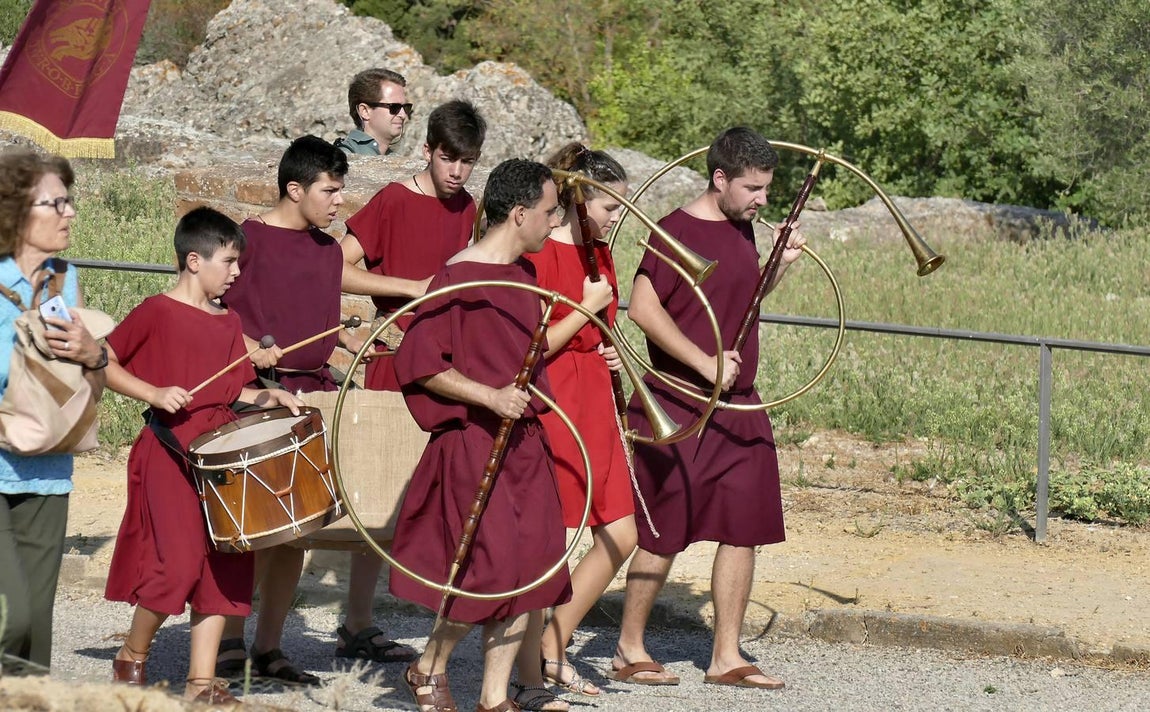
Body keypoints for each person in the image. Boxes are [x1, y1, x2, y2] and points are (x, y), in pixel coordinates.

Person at [611, 127, 805, 690]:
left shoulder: (742, 228)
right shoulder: (675, 231)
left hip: (740, 406)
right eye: (752, 188)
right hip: (676, 400)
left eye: (767, 189)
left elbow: (742, 303)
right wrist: (703, 361)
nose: (762, 199)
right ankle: (628, 647)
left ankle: (726, 656)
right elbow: (642, 309)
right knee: (663, 528)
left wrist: (781, 263)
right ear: (719, 178)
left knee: (744, 525)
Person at [217, 135, 409, 683]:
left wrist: (356, 344)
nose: (338, 201)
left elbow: (318, 323)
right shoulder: (245, 241)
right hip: (255, 397)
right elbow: (216, 313)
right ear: (295, 188)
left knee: (294, 533)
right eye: (330, 189)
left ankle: (270, 647)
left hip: (313, 398)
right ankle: (228, 641)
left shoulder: (327, 251)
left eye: (341, 189)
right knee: (248, 530)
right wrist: (250, 346)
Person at [103, 206, 303, 704]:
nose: (237, 272)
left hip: (221, 459)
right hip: (167, 454)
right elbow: (102, 360)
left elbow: (235, 391)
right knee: (178, 563)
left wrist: (269, 396)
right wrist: (151, 392)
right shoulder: (156, 310)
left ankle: (200, 683)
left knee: (226, 565)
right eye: (230, 261)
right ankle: (132, 653)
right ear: (194, 260)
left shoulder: (231, 321)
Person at [392, 158, 571, 712]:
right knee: (487, 574)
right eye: (547, 212)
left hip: (524, 447)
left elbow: (528, 361)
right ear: (519, 213)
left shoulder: (525, 276)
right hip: (473, 444)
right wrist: (489, 396)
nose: (553, 221)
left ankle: (494, 698)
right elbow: (419, 363)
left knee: (532, 571)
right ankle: (426, 665)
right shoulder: (456, 276)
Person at [323, 100, 485, 667]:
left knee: (450, 492)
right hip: (394, 363)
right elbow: (336, 268)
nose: (457, 172)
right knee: (381, 491)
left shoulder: (472, 209)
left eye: (467, 161)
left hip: (451, 372)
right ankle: (359, 622)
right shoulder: (394, 200)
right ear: (428, 150)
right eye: (448, 159)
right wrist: (408, 287)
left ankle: (445, 616)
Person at [511, 144, 634, 710]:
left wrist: (608, 352)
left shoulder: (600, 257)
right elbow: (530, 348)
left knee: (622, 532)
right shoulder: (537, 257)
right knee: (552, 541)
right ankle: (529, 671)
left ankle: (554, 642)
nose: (618, 217)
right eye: (610, 206)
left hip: (596, 398)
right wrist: (586, 314)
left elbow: (599, 328)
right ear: (579, 198)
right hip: (555, 396)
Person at [0, 150, 107, 674]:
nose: (69, 213)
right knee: (10, 617)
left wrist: (93, 355)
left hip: (47, 467)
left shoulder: (66, 279)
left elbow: (85, 379)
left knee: (37, 628)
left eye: (69, 202)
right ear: (16, 211)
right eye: (55, 203)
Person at [337, 68, 411, 156]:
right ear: (365, 111)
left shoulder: (396, 160)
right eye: (394, 107)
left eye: (406, 107)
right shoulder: (342, 158)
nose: (403, 115)